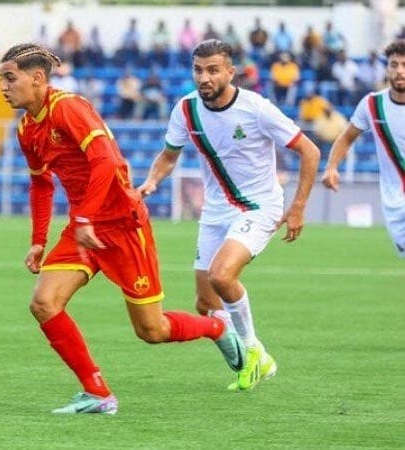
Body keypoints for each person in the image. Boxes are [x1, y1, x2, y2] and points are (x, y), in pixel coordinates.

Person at [0, 43, 245, 415]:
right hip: (83, 230)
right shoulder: (27, 128)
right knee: (44, 303)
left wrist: (85, 217)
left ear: (37, 78)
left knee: (152, 330)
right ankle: (98, 394)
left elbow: (105, 161)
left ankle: (217, 329)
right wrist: (38, 241)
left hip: (123, 226)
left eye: (9, 78)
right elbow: (41, 185)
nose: (3, 86)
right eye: (1, 79)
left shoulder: (69, 107)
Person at [137, 40, 321, 391]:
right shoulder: (186, 109)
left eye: (212, 70)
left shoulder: (256, 109)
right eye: (198, 70)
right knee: (206, 303)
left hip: (259, 206)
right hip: (216, 212)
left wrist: (297, 207)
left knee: (222, 276)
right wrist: (150, 183)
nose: (204, 77)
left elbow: (309, 151)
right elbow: (168, 155)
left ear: (230, 72)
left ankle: (252, 350)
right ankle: (259, 362)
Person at [322, 40, 405, 259]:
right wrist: (331, 167)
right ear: (387, 68)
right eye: (394, 65)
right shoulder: (372, 104)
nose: (399, 71)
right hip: (395, 202)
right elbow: (347, 137)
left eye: (404, 65)